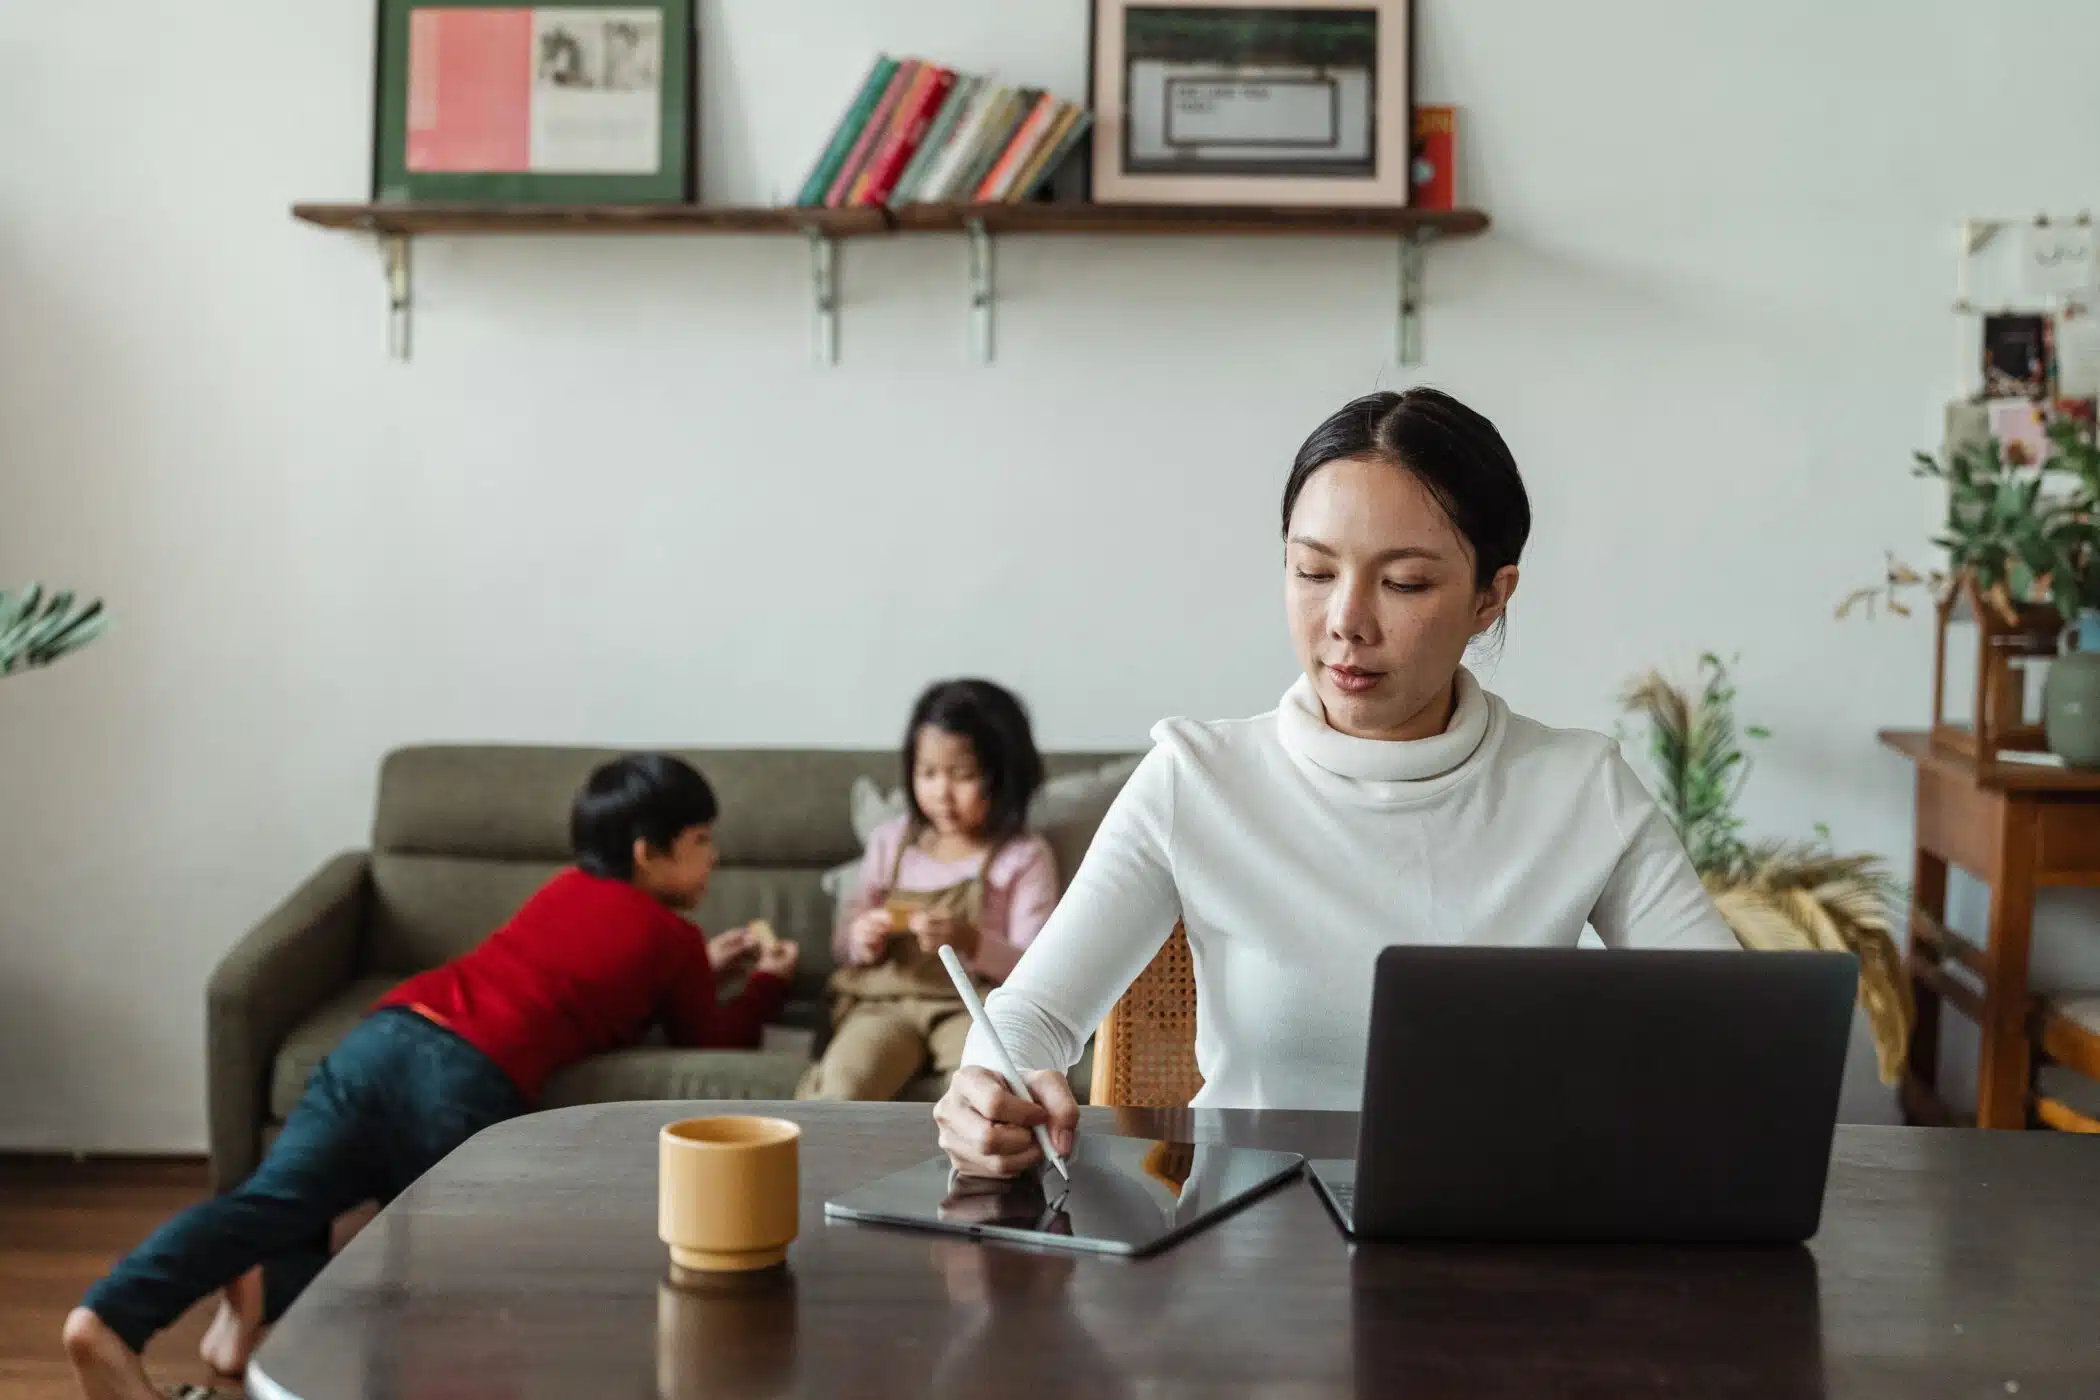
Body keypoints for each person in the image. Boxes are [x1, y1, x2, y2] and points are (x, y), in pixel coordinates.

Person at [934, 388, 1741, 1178]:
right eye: (1313, 571)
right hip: (1251, 1261)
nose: (1347, 621)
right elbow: (1032, 1014)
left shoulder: (1578, 787)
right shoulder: (1197, 779)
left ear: (1491, 596)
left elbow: (1732, 1027)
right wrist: (988, 1087)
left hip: (1499, 1250)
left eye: (1405, 584)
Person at [65, 753, 800, 1400]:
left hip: (387, 1034)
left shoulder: (564, 890)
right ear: (649, 853)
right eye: (702, 842)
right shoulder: (672, 935)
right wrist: (764, 982)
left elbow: (576, 977)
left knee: (275, 1200)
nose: (714, 859)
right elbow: (710, 1033)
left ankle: (116, 1315)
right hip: (465, 1079)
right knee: (453, 1273)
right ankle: (287, 1306)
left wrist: (701, 970)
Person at [798, 679, 1059, 1102]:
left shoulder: (1023, 857)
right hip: (886, 1002)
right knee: (843, 1086)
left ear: (1004, 776)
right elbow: (844, 944)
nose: (942, 792)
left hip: (971, 1006)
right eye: (928, 773)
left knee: (984, 1093)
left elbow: (1037, 968)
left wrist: (970, 940)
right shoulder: (891, 842)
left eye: (964, 776)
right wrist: (863, 939)